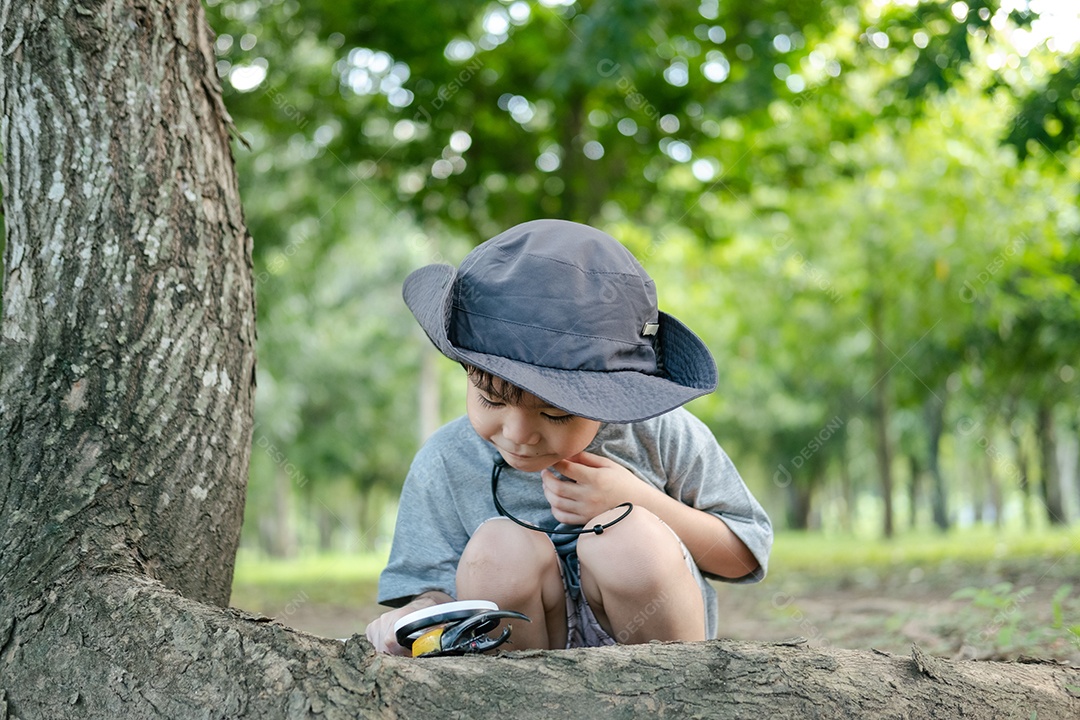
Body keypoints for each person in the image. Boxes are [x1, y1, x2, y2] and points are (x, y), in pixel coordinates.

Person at [365, 219, 772, 655]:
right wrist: (411, 617)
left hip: (655, 654)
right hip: (520, 649)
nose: (518, 434)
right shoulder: (446, 461)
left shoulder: (661, 434)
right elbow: (430, 593)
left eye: (555, 413)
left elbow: (743, 556)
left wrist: (637, 499)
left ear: (616, 397)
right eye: (491, 400)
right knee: (497, 549)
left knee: (626, 540)